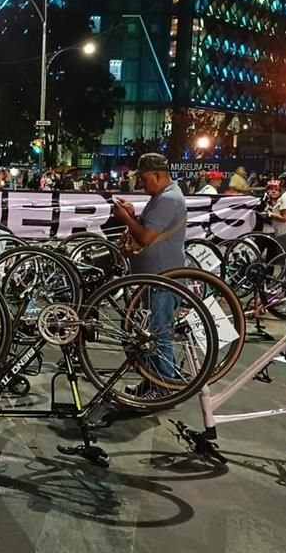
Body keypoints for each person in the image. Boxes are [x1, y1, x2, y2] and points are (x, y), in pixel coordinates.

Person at [112, 153, 187, 397]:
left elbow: (144, 237)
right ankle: (153, 380)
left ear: (158, 174)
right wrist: (132, 217)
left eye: (144, 178)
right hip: (154, 278)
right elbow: (145, 230)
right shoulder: (161, 197)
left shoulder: (168, 199)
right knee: (151, 336)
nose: (141, 184)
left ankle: (163, 387)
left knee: (158, 335)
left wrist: (125, 219)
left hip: (162, 279)